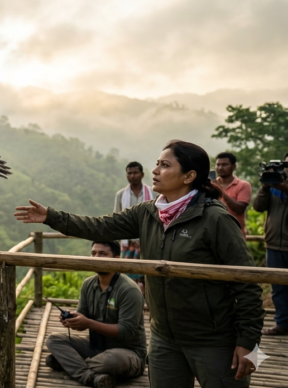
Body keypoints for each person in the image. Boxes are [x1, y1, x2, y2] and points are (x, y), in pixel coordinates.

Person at [15, 140, 265, 388]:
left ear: (189, 176)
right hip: (164, 338)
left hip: (214, 339)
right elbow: (99, 226)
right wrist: (51, 217)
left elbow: (248, 283)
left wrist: (248, 343)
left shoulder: (215, 218)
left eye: (165, 165)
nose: (155, 170)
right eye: (157, 163)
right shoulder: (148, 213)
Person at [45, 241, 146, 388]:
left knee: (110, 361)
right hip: (96, 347)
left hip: (127, 353)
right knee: (54, 340)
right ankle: (90, 376)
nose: (96, 257)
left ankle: (72, 365)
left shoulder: (129, 290)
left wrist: (88, 323)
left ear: (116, 259)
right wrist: (73, 320)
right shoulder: (88, 284)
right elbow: (82, 319)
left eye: (102, 254)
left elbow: (126, 332)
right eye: (93, 253)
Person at [254, 152, 288, 336]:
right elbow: (258, 207)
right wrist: (265, 188)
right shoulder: (273, 186)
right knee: (278, 288)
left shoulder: (282, 186)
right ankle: (282, 324)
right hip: (274, 243)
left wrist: (285, 188)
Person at [114, 162, 154, 290]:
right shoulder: (121, 195)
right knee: (127, 276)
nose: (132, 176)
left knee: (147, 276)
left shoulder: (152, 193)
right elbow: (117, 218)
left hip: (147, 241)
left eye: (135, 172)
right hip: (128, 243)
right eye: (129, 173)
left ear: (142, 174)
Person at [212, 152, 252, 237]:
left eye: (224, 165)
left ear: (234, 166)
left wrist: (219, 189)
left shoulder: (243, 185)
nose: (220, 168)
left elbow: (239, 209)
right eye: (218, 165)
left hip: (235, 234)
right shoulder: (211, 185)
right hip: (214, 233)